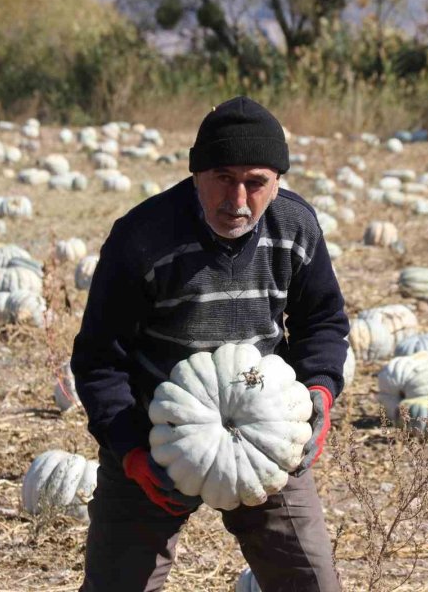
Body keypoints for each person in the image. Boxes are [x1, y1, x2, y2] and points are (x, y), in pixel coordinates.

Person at [71, 95, 349, 592]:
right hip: (154, 432)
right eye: (223, 177)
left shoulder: (295, 227)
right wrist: (133, 453)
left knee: (311, 584)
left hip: (263, 430)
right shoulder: (142, 239)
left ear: (277, 181)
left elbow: (323, 322)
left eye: (255, 182)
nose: (237, 200)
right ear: (196, 173)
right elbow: (98, 360)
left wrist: (319, 396)